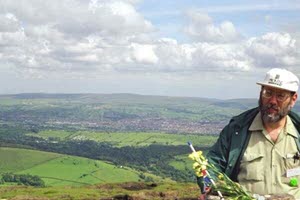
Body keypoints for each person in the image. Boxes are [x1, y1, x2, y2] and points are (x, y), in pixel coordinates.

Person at [198, 68, 300, 199]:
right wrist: (208, 187)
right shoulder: (236, 130)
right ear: (260, 93)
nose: (273, 101)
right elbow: (212, 165)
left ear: (293, 99)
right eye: (268, 93)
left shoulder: (297, 131)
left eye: (280, 96)